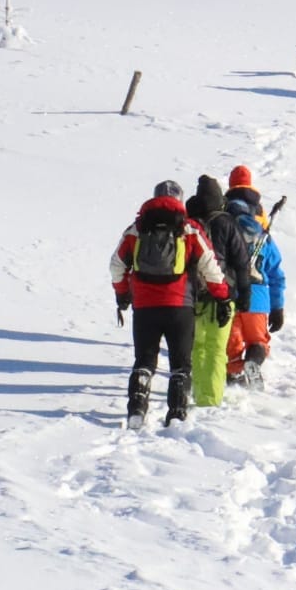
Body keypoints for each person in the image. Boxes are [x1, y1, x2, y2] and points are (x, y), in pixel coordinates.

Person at [110, 179, 231, 427]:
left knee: (144, 360)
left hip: (145, 307)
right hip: (180, 306)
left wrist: (123, 294)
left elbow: (116, 266)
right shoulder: (189, 229)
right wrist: (222, 297)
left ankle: (136, 409)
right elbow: (211, 267)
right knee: (180, 364)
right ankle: (176, 412)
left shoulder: (136, 229)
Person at [186, 174, 251, 409]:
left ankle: (198, 393)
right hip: (223, 294)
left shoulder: (189, 223)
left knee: (197, 346)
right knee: (216, 348)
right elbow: (242, 262)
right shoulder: (227, 222)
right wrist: (244, 293)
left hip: (193, 294)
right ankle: (211, 399)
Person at [225, 182, 287, 388]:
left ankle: (233, 373)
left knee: (231, 342)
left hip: (230, 294)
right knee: (258, 340)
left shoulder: (223, 232)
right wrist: (278, 307)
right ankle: (254, 361)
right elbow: (276, 274)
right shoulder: (263, 236)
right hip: (258, 298)